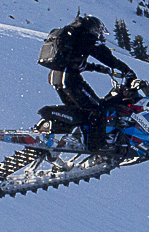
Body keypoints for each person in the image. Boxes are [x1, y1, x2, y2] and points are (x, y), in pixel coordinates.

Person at [38, 15, 135, 150]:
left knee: (81, 111)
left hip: (56, 76)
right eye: (97, 31)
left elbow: (74, 61)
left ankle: (76, 137)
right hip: (70, 79)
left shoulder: (72, 37)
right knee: (98, 109)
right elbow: (105, 56)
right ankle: (97, 146)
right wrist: (126, 70)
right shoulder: (86, 37)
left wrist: (97, 68)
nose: (98, 35)